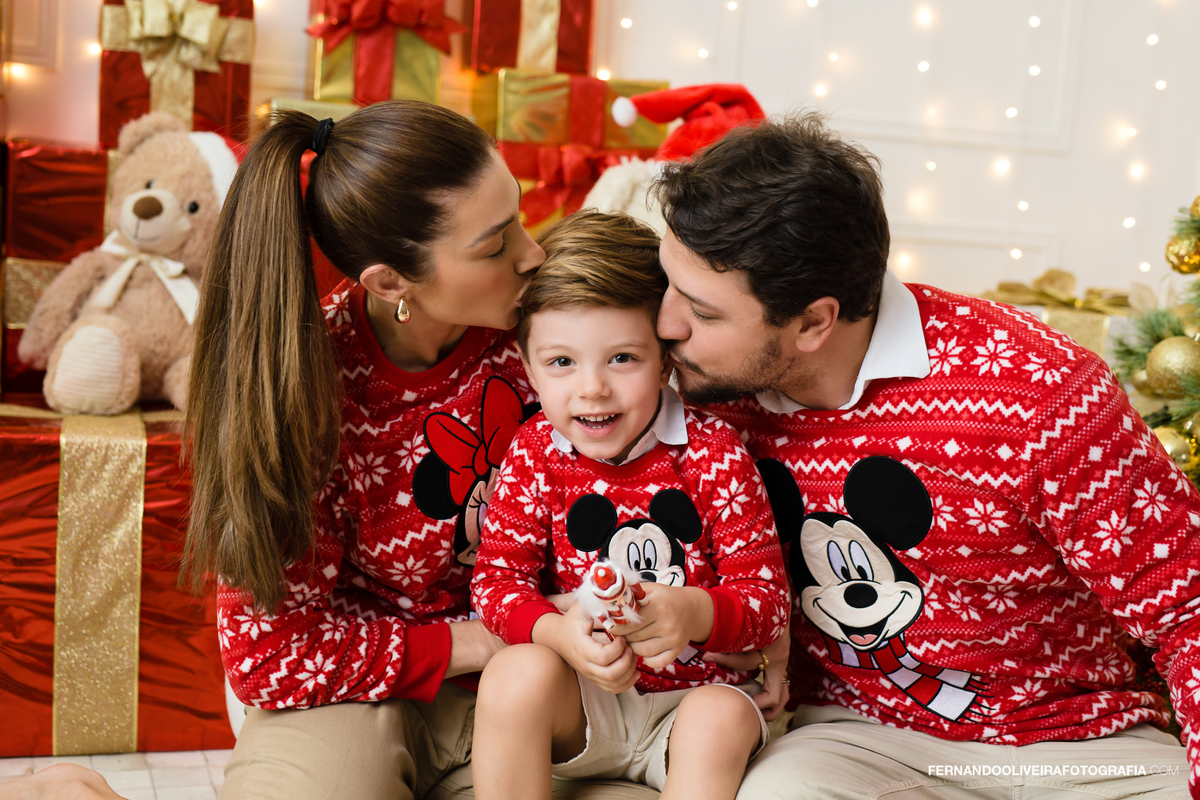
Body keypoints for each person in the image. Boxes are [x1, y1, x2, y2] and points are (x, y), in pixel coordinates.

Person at [650, 110, 1198, 798]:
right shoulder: (695, 388)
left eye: (702, 312)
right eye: (668, 283)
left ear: (815, 321)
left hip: (1080, 744)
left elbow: (1189, 609)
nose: (665, 324)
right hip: (858, 741)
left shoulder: (1041, 393)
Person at [180, 101, 546, 800]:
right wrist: (481, 642)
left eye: (520, 218)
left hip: (531, 687)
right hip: (353, 693)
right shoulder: (303, 387)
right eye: (495, 245)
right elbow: (268, 654)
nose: (533, 254)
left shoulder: (555, 337)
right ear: (390, 282)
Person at [469, 210, 790, 800]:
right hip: (585, 701)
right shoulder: (536, 451)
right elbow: (496, 585)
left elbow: (768, 602)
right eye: (561, 362)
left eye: (622, 358)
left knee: (720, 717)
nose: (591, 388)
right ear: (527, 364)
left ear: (665, 357)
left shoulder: (712, 450)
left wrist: (693, 612)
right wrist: (559, 635)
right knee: (514, 673)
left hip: (689, 707)